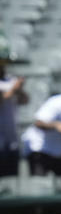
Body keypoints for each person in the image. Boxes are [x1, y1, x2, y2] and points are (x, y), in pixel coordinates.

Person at [0, 39, 27, 177]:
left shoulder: (10, 80)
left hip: (12, 138)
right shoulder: (10, 84)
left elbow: (24, 100)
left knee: (11, 177)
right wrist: (14, 88)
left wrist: (20, 90)